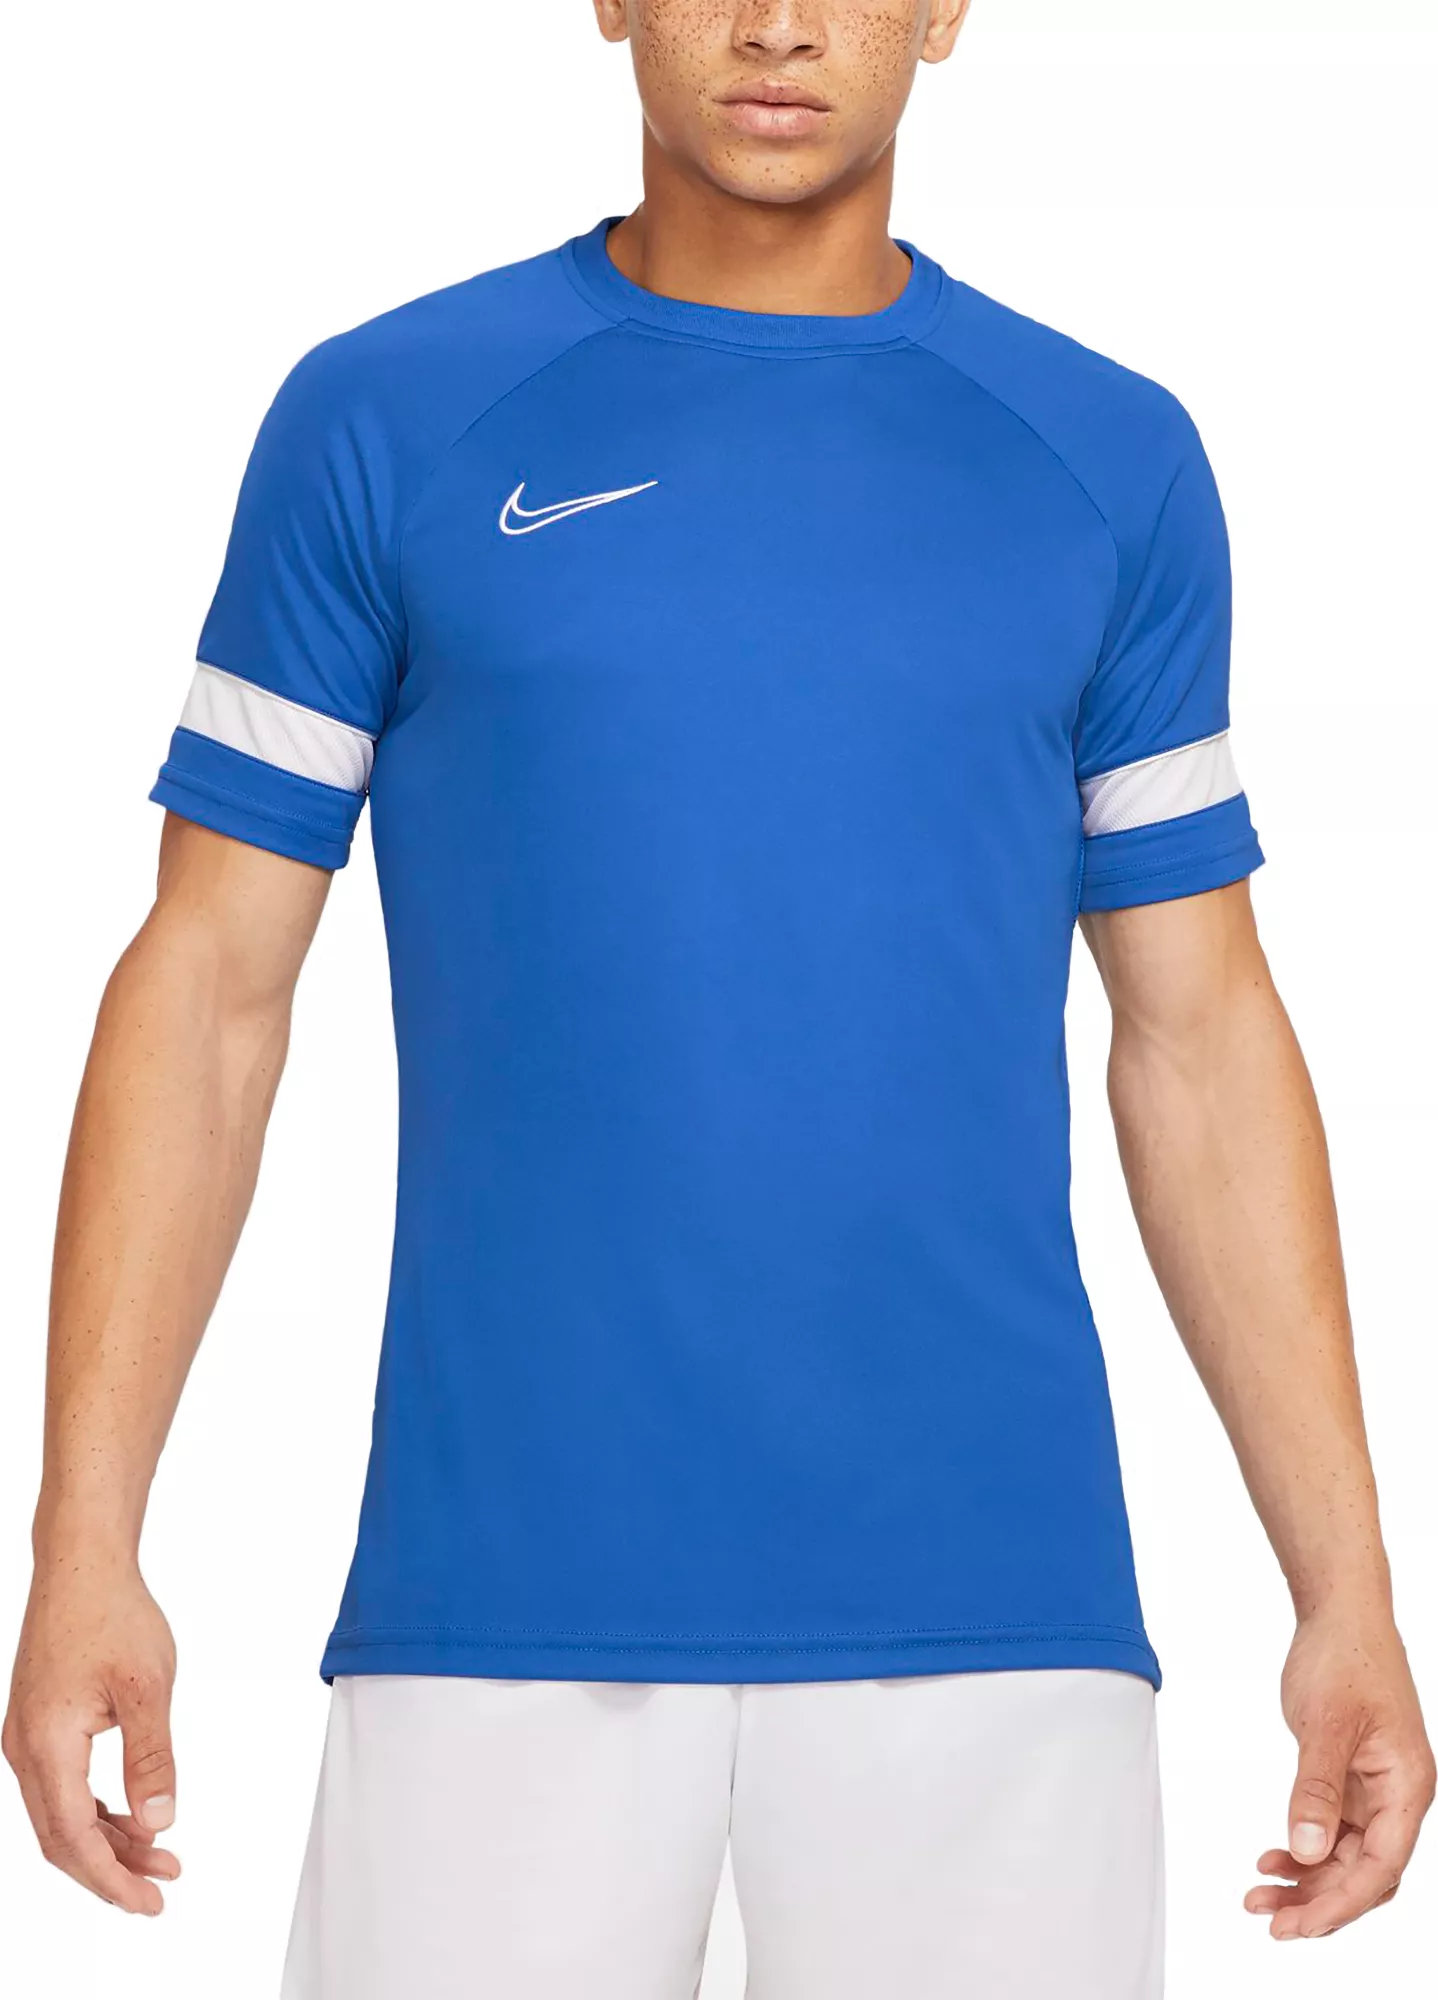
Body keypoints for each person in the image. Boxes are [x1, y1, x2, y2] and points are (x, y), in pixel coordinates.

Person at [5, 3, 1432, 1994]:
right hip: (497, 1604)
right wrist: (84, 1539)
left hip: (991, 1617)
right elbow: (209, 993)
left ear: (945, 10)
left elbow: (1197, 1041)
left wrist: (1345, 1587)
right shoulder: (390, 418)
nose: (775, 21)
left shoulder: (1104, 458)